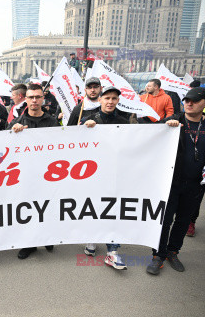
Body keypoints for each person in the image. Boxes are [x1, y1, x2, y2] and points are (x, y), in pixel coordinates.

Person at [146, 87, 205, 275]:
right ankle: (158, 255)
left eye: (194, 100)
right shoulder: (175, 121)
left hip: (195, 184)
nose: (189, 103)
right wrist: (165, 126)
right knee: (164, 219)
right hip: (171, 182)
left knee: (183, 220)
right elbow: (150, 137)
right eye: (187, 100)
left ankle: (173, 251)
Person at [81, 86, 135, 270]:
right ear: (100, 100)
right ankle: (92, 239)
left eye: (114, 98)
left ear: (118, 101)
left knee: (114, 210)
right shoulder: (89, 119)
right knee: (93, 206)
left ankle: (112, 251)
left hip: (115, 173)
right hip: (92, 174)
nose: (110, 101)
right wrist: (84, 129)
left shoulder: (124, 121)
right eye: (107, 98)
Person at [8, 83, 59, 259]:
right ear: (26, 99)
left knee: (47, 206)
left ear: (43, 98)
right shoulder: (17, 123)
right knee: (28, 209)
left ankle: (48, 237)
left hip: (48, 174)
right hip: (25, 175)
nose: (35, 100)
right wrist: (13, 134)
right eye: (31, 97)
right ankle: (29, 244)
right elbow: (6, 147)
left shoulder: (52, 121)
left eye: (38, 97)